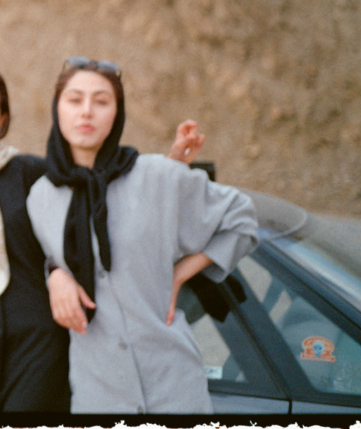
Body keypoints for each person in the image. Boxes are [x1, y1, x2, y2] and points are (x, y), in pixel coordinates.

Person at [0, 65, 208, 414]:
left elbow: (103, 205)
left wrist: (57, 271)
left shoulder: (32, 173)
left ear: (2, 119)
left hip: (38, 352)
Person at [26, 56, 259, 414]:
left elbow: (241, 218)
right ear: (57, 108)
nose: (86, 111)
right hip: (97, 392)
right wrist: (55, 275)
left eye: (101, 101)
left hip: (173, 386)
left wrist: (179, 275)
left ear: (117, 114)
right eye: (74, 99)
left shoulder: (157, 175)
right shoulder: (41, 196)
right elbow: (53, 257)